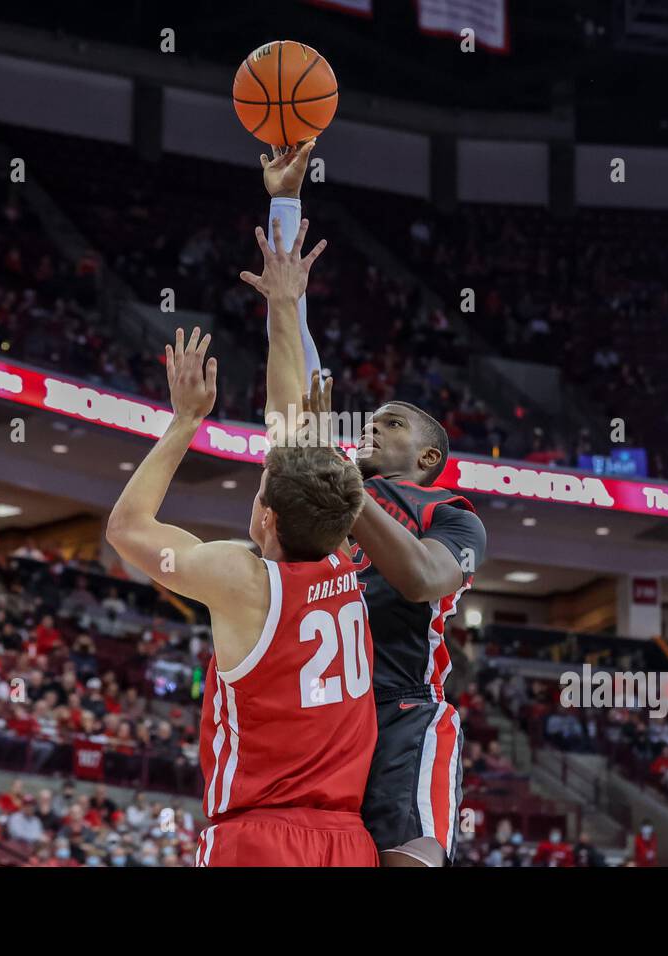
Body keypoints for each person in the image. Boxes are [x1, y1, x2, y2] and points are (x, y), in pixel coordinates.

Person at [247, 143, 488, 867]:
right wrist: (284, 204)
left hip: (399, 709)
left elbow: (419, 579)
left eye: (395, 420)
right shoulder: (332, 480)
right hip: (319, 710)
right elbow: (294, 346)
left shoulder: (454, 515)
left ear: (428, 459)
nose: (374, 423)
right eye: (370, 417)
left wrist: (340, 486)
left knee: (408, 857)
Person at [105, 304, 377, 861]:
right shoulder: (348, 561)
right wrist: (287, 305)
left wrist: (185, 419)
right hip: (349, 841)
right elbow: (289, 441)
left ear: (267, 519)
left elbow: (127, 528)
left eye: (259, 494)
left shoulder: (241, 579)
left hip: (260, 838)